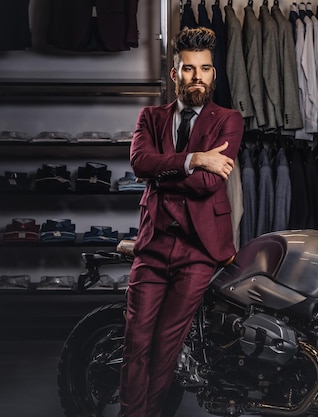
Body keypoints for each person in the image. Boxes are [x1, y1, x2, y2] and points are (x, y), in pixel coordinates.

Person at [118, 27, 244, 417]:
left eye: (205, 69)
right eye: (188, 69)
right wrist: (194, 159)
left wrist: (165, 172)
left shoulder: (229, 120)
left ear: (214, 74)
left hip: (198, 248)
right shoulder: (151, 118)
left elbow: (209, 185)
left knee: (165, 346)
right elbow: (140, 163)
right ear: (174, 74)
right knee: (136, 343)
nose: (197, 77)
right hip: (153, 243)